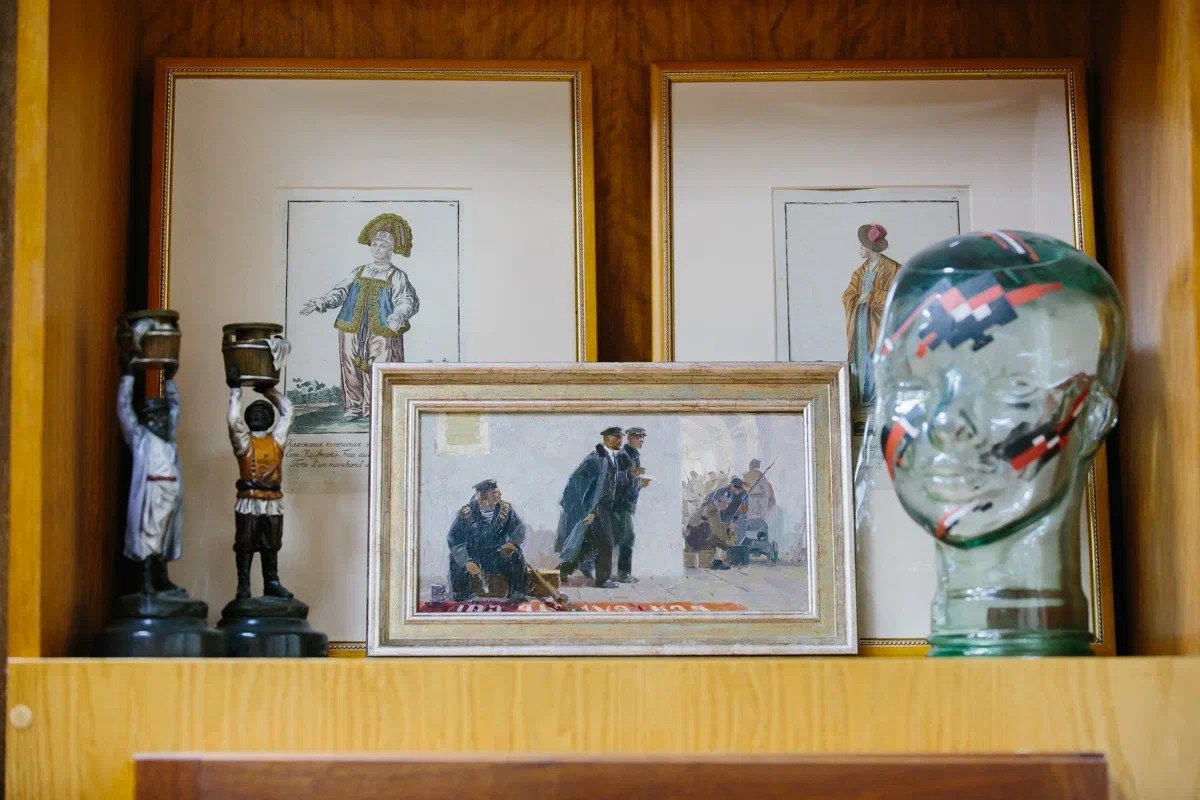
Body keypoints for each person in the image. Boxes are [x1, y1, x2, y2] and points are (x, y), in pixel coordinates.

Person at [299, 213, 419, 420]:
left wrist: (397, 317)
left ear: (391, 250)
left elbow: (407, 300)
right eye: (374, 244)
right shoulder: (359, 271)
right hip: (351, 325)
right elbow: (340, 292)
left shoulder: (397, 275)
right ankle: (353, 407)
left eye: (382, 246)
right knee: (350, 364)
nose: (377, 249)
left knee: (379, 366)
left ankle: (375, 408)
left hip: (382, 328)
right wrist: (321, 302)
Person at [118, 363, 184, 595]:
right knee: (148, 537)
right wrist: (127, 377)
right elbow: (125, 410)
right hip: (151, 492)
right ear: (147, 419)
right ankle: (145, 580)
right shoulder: (141, 437)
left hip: (170, 491)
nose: (160, 421)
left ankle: (161, 578)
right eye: (154, 416)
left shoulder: (169, 438)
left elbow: (174, 407)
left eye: (162, 416)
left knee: (164, 538)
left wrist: (167, 380)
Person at [227, 385, 295, 599]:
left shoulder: (277, 440)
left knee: (271, 543)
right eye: (253, 412)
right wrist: (236, 392)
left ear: (270, 418)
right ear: (247, 418)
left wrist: (269, 391)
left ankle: (271, 582)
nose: (257, 414)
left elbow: (288, 411)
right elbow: (233, 421)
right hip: (249, 501)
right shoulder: (244, 442)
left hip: (273, 501)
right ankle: (243, 585)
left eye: (263, 412)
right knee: (245, 543)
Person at [555, 426, 624, 588]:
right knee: (605, 542)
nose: (620, 440)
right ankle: (603, 580)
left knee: (586, 546)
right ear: (606, 439)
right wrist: (589, 510)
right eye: (616, 437)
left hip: (605, 510)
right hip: (596, 511)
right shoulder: (594, 459)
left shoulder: (612, 458)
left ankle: (561, 571)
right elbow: (576, 483)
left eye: (621, 437)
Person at [841, 223, 901, 406]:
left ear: (870, 247)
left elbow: (898, 295)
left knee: (876, 355)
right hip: (860, 320)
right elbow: (848, 295)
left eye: (862, 246)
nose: (860, 249)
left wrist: (871, 296)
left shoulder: (893, 268)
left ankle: (879, 398)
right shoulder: (860, 272)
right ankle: (862, 398)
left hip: (879, 322)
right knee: (861, 356)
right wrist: (859, 297)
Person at [447, 480, 528, 602]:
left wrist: (512, 543)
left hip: (498, 555)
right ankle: (462, 595)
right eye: (495, 492)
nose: (500, 494)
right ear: (483, 496)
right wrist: (467, 561)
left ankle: (517, 594)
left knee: (516, 555)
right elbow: (454, 539)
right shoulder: (466, 513)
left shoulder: (506, 510)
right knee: (455, 559)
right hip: (475, 557)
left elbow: (519, 528)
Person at [613, 427, 652, 583]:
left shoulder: (634, 455)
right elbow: (616, 479)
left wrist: (639, 482)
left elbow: (630, 481)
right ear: (628, 438)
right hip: (621, 504)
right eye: (637, 437)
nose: (641, 440)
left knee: (621, 537)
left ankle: (620, 573)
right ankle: (623, 574)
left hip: (629, 504)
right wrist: (633, 475)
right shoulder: (623, 455)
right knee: (627, 538)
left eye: (642, 437)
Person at [704, 477, 750, 570]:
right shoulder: (722, 492)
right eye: (735, 488)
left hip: (736, 518)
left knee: (731, 538)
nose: (737, 490)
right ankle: (717, 561)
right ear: (731, 485)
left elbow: (744, 510)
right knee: (721, 537)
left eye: (739, 488)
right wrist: (723, 518)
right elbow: (715, 504)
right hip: (719, 516)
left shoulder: (744, 494)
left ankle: (719, 560)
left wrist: (738, 517)